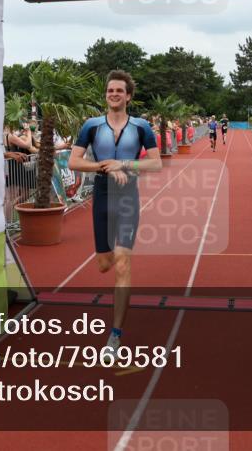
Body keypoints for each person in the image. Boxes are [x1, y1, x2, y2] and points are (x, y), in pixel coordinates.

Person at [68, 70, 162, 359]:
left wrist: (125, 165)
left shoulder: (142, 126)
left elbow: (156, 164)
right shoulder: (92, 126)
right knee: (105, 265)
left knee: (122, 264)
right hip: (102, 198)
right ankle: (106, 263)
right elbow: (73, 160)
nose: (114, 95)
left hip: (128, 200)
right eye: (110, 91)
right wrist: (105, 166)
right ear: (106, 95)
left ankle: (115, 334)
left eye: (119, 91)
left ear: (128, 96)